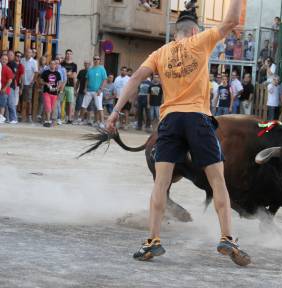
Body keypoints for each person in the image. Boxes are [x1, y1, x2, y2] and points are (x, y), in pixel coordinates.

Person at [106, 0, 251, 266]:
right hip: (197, 118)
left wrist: (115, 111)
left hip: (170, 121)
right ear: (195, 32)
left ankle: (152, 241)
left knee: (161, 183)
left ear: (176, 34)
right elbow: (230, 21)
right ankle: (227, 238)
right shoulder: (200, 42)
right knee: (217, 181)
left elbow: (136, 78)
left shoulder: (160, 53)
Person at [78, 56, 107, 128]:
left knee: (99, 107)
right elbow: (87, 80)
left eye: (98, 59)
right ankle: (80, 120)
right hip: (89, 91)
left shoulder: (102, 69)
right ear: (93, 60)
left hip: (97, 91)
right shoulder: (90, 69)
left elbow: (105, 80)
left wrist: (101, 89)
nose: (96, 60)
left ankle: (102, 123)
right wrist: (85, 88)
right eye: (95, 59)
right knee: (84, 105)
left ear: (100, 60)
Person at [40, 60, 62, 127]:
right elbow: (41, 80)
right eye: (51, 64)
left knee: (52, 107)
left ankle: (51, 120)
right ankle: (48, 120)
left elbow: (60, 82)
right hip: (47, 92)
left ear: (56, 65)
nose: (52, 65)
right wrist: (46, 83)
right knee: (48, 106)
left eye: (54, 64)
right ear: (49, 65)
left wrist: (57, 88)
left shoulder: (57, 73)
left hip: (54, 93)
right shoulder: (45, 72)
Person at [20, 49, 38, 123]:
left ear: (32, 54)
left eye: (30, 52)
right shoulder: (22, 60)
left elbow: (36, 72)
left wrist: (32, 81)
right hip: (21, 83)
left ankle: (29, 116)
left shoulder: (34, 62)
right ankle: (22, 115)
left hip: (29, 84)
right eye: (27, 52)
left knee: (28, 100)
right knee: (21, 100)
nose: (28, 53)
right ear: (25, 53)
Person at [61, 49, 78, 124]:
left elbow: (74, 76)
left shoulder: (74, 65)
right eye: (67, 53)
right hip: (61, 85)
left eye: (70, 54)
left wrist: (75, 88)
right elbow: (60, 75)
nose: (68, 55)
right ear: (65, 54)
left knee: (70, 102)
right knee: (60, 101)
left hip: (70, 86)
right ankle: (61, 117)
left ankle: (69, 118)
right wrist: (68, 73)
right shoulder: (62, 64)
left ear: (72, 55)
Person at [6, 50, 20, 124]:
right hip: (6, 85)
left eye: (11, 55)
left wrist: (9, 81)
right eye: (8, 55)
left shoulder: (13, 63)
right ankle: (9, 118)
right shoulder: (7, 63)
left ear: (13, 56)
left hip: (10, 85)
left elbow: (14, 74)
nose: (9, 56)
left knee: (11, 103)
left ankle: (14, 118)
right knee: (7, 103)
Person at [0, 54, 13, 124]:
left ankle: (1, 117)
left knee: (2, 104)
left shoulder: (8, 69)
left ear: (7, 61)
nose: (4, 60)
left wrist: (4, 88)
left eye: (6, 59)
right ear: (0, 59)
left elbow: (10, 80)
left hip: (4, 90)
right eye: (3, 59)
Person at [54, 56, 67, 125]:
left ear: (59, 63)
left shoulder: (62, 69)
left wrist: (61, 89)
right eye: (55, 63)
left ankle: (59, 118)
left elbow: (64, 80)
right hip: (51, 89)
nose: (56, 65)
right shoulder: (50, 69)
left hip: (59, 89)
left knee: (58, 104)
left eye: (57, 63)